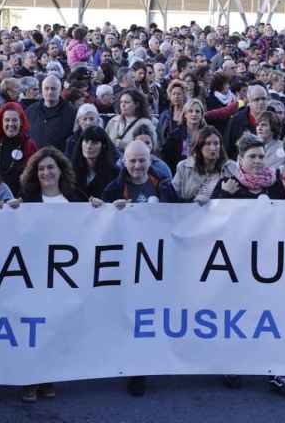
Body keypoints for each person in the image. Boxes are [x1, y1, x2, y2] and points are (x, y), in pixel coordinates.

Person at [100, 139, 176, 397]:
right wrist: (110, 210)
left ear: (150, 159)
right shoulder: (113, 188)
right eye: (132, 160)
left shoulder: (163, 185)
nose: (137, 165)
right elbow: (98, 221)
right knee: (129, 315)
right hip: (125, 262)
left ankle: (143, 366)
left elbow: (179, 216)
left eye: (142, 160)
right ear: (124, 161)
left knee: (150, 315)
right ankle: (133, 367)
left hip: (156, 261)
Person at [0, 102, 38, 196]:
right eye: (7, 120)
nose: (10, 124)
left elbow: (33, 176)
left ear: (21, 122)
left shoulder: (29, 145)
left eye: (14, 120)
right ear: (1, 122)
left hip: (19, 199)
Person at [212, 132, 285, 200]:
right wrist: (224, 194)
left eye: (261, 157)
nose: (257, 161)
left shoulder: (275, 182)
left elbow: (284, 211)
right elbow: (212, 213)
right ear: (241, 160)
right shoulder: (227, 183)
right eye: (252, 156)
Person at [172, 126, 237, 203]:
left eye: (216, 143)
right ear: (199, 146)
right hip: (190, 213)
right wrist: (194, 201)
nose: (213, 148)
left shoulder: (231, 167)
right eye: (208, 144)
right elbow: (173, 199)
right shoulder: (184, 167)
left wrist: (224, 194)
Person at [25, 74, 77, 152]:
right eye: (46, 88)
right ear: (41, 90)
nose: (49, 92)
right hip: (35, 158)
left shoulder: (71, 112)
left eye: (53, 89)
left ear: (60, 91)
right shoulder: (31, 110)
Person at [19, 147, 88, 203]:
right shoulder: (25, 202)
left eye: (50, 167)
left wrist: (97, 208)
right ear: (36, 173)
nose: (46, 173)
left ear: (60, 170)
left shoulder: (78, 198)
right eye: (41, 169)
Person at [69, 125, 119, 200]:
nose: (89, 146)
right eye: (86, 141)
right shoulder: (70, 171)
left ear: (103, 145)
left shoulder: (115, 173)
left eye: (94, 143)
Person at [161, 98, 207, 172]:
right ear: (185, 114)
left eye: (197, 111)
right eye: (190, 111)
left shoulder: (207, 134)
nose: (194, 114)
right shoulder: (175, 135)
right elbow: (166, 158)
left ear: (202, 115)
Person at [223, 84, 269, 158]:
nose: (261, 102)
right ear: (249, 101)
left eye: (263, 99)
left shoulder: (274, 119)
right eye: (256, 99)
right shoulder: (236, 121)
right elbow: (227, 148)